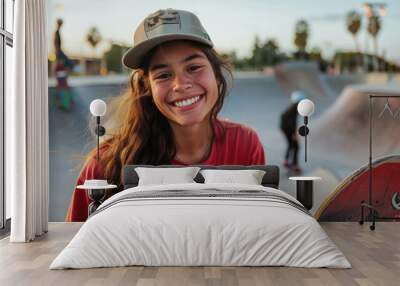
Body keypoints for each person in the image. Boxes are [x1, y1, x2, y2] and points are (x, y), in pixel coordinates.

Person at [66, 9, 266, 222]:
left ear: (217, 74)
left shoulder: (245, 144)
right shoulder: (105, 164)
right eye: (163, 75)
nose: (180, 85)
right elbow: (72, 242)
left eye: (194, 67)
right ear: (147, 88)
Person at [279, 90, 306, 174]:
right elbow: (293, 121)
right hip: (288, 128)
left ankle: (286, 161)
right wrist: (294, 133)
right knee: (296, 146)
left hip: (284, 127)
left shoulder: (292, 106)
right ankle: (295, 165)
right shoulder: (296, 107)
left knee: (291, 145)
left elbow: (284, 116)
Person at [54, 18, 74, 110]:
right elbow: (56, 46)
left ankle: (63, 102)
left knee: (62, 84)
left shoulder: (57, 32)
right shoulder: (56, 32)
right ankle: (63, 102)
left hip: (59, 56)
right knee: (62, 85)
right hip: (59, 55)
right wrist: (59, 58)